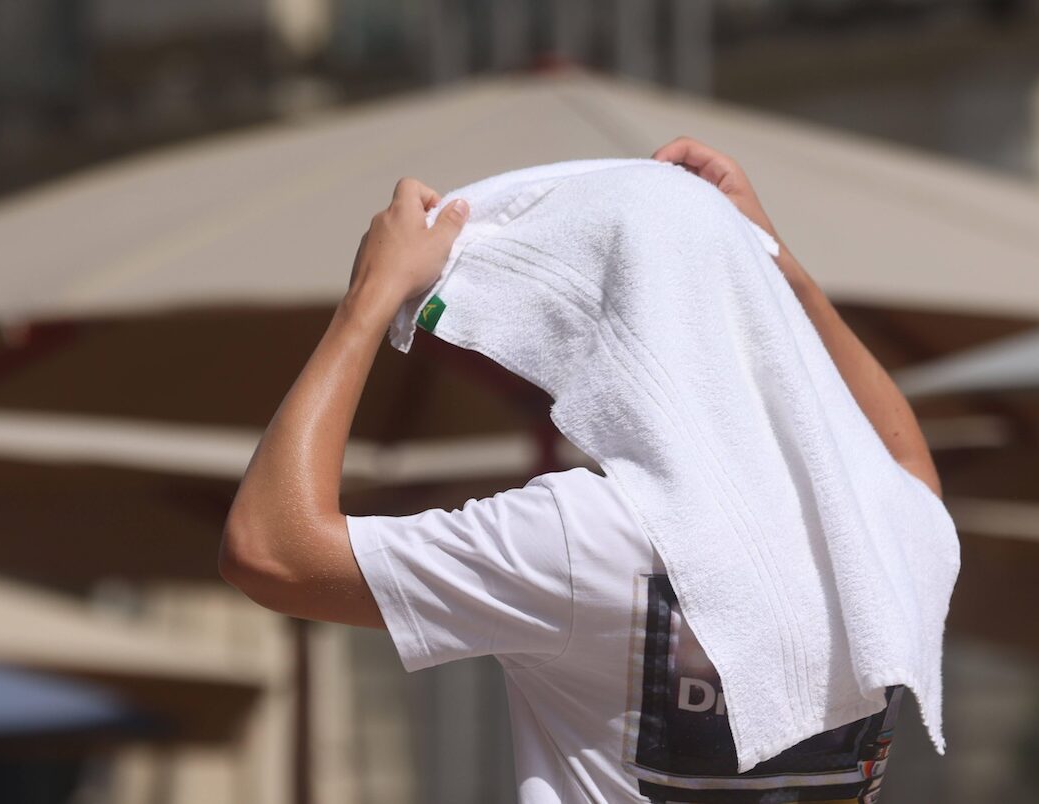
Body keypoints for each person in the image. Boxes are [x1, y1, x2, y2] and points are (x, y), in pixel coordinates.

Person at [220, 138, 942, 803]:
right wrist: (776, 263)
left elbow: (271, 552)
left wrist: (367, 300)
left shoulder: (585, 539)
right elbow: (906, 461)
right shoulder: (884, 528)